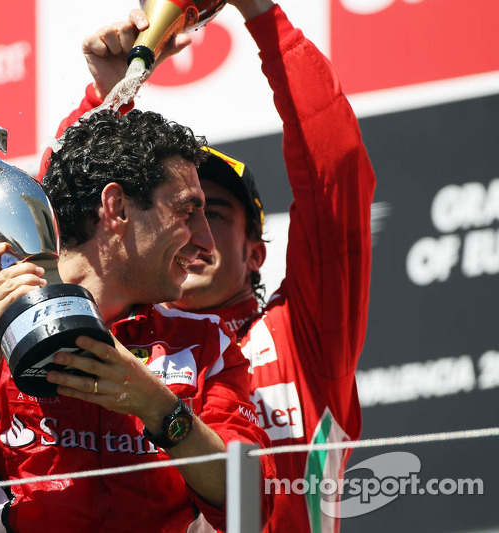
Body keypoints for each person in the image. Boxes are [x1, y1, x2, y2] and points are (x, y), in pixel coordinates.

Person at [48, 1, 377, 531]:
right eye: (176, 209)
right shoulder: (123, 332)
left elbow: (335, 173)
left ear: (255, 253)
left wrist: (263, 15)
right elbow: (70, 230)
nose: (193, 232)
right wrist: (110, 97)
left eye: (212, 212)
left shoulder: (302, 334)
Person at [0, 107, 276, 532]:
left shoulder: (207, 346)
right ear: (116, 207)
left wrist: (157, 405)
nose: (205, 241)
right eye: (187, 211)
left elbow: (251, 510)